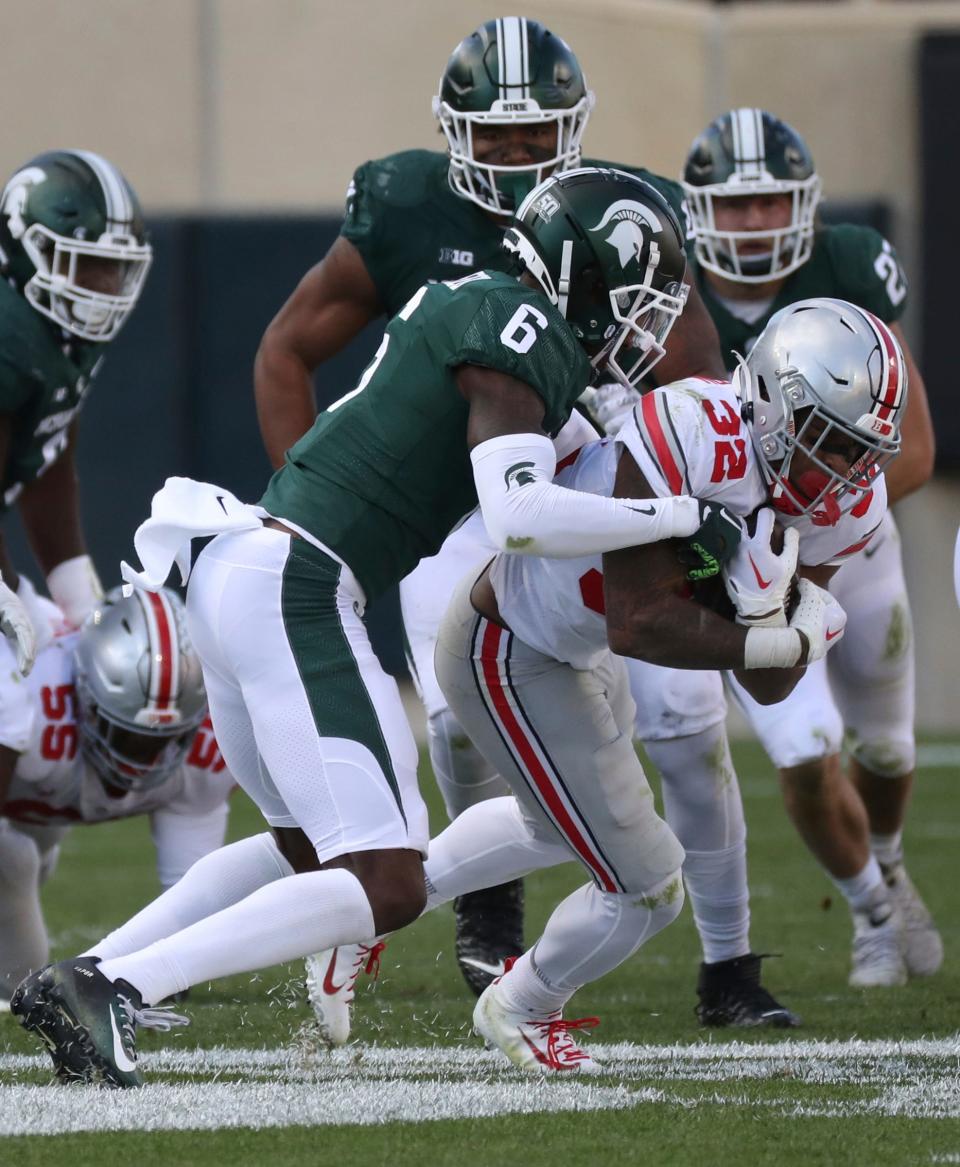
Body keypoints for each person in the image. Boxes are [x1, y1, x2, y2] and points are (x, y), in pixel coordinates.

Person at [12, 168, 733, 1087]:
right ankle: (120, 982)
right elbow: (515, 511)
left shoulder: (487, 303)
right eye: (640, 297)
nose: (647, 324)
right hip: (299, 584)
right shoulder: (528, 331)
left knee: (307, 853)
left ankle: (84, 971)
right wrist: (675, 517)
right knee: (387, 881)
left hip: (243, 569)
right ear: (588, 276)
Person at [253, 16, 728, 999]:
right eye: (497, 136)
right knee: (460, 720)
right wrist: (310, 495)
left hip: (587, 480)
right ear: (453, 132)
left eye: (536, 133)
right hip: (461, 499)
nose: (516, 156)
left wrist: (688, 501)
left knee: (685, 714)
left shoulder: (621, 210)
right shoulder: (408, 205)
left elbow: (696, 384)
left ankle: (732, 961)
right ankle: (487, 909)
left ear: (577, 126)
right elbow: (286, 351)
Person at [419, 295, 901, 1072]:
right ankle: (515, 1001)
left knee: (554, 831)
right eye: (830, 443)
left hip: (569, 656)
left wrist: (787, 622)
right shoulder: (692, 431)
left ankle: (376, 899)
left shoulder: (844, 501)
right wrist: (773, 632)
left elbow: (771, 687)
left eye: (862, 451)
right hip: (514, 637)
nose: (847, 473)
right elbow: (637, 621)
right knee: (646, 884)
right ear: (775, 408)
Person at [679, 108, 938, 987]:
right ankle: (871, 911)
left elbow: (917, 450)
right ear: (699, 210)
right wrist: (742, 550)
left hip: (853, 544)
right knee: (801, 749)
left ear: (806, 204)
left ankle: (892, 863)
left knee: (889, 750)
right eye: (736, 204)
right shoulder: (670, 292)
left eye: (770, 202)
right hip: (742, 560)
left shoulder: (849, 265)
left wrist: (814, 518)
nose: (754, 222)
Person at [0, 587, 231, 1007]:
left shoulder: (208, 751)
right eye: (125, 734)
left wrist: (163, 970)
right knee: (11, 857)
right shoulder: (32, 711)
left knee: (36, 836)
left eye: (164, 739)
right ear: (83, 695)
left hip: (47, 793)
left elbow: (189, 908)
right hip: (26, 784)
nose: (142, 760)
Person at [0, 150, 153, 678]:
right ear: (27, 247)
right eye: (87, 265)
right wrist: (8, 588)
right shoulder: (8, 331)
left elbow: (48, 462)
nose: (104, 288)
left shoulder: (55, 332)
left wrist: (78, 603)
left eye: (114, 270)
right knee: (13, 700)